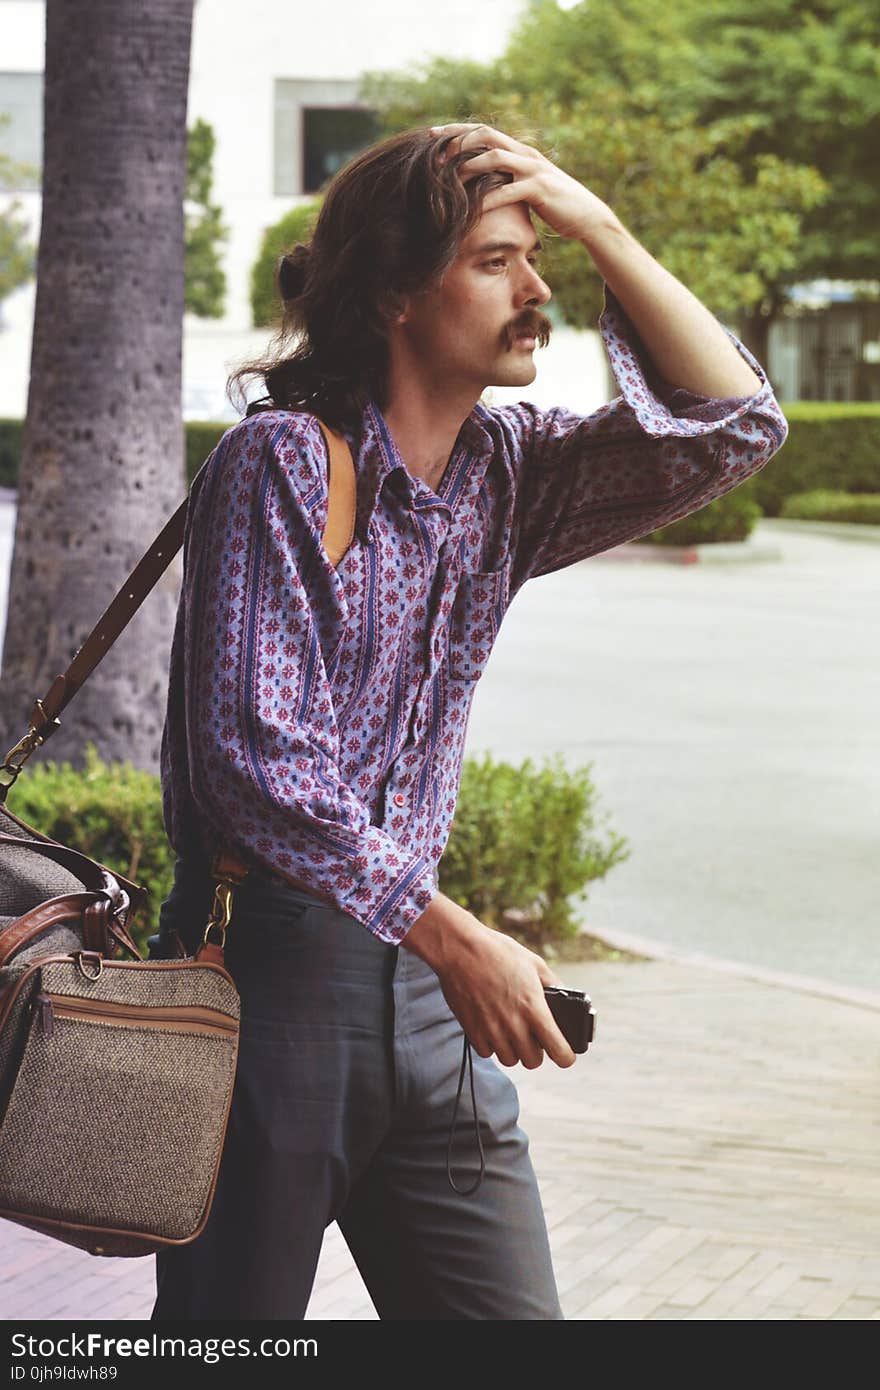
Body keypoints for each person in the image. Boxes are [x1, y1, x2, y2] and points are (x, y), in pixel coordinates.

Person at [150, 123, 788, 1321]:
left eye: (538, 258)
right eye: (498, 260)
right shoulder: (280, 465)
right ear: (396, 291)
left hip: (431, 1003)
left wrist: (595, 221)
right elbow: (255, 765)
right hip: (266, 992)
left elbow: (736, 428)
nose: (537, 289)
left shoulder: (509, 473)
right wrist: (458, 939)